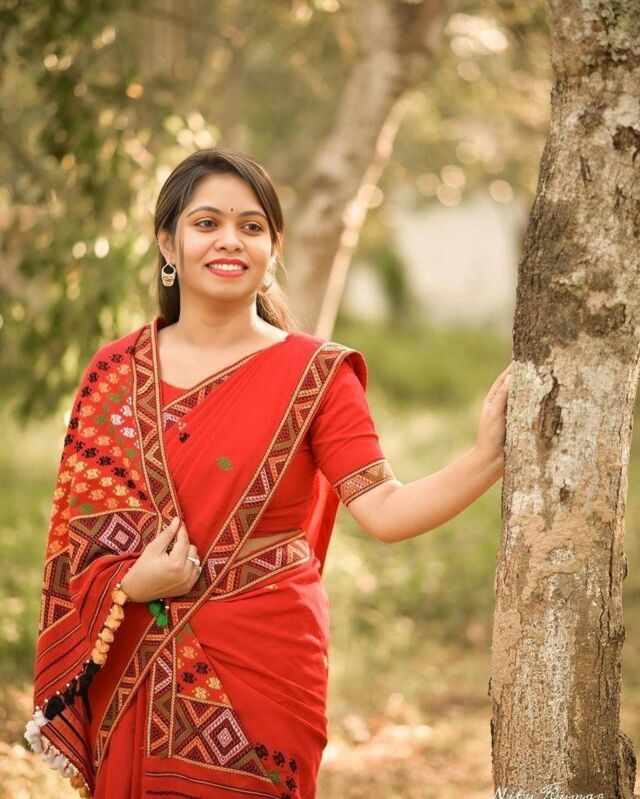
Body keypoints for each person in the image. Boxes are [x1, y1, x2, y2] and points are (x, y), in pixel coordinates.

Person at [24, 147, 511, 799]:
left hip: (266, 658)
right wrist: (134, 582)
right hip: (135, 653)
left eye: (251, 226)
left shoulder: (316, 375)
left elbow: (385, 509)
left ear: (273, 247)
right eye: (207, 223)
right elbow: (77, 550)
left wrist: (485, 458)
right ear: (167, 243)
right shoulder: (114, 374)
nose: (230, 240)